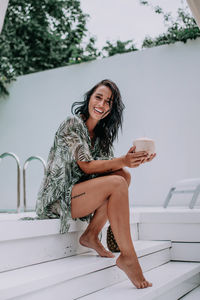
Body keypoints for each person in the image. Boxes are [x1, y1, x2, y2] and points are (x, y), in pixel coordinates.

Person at [36, 79, 156, 289]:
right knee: (119, 182)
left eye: (108, 101)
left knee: (123, 176)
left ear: (111, 109)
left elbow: (109, 168)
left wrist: (134, 160)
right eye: (98, 97)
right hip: (58, 198)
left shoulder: (102, 136)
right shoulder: (72, 124)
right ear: (89, 98)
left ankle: (91, 234)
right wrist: (122, 160)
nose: (101, 104)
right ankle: (128, 256)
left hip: (79, 194)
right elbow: (88, 166)